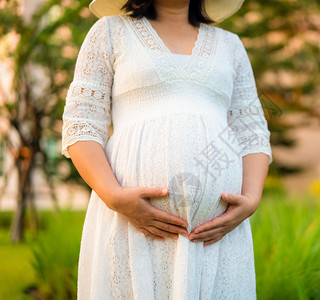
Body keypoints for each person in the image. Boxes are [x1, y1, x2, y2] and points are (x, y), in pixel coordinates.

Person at [61, 0, 273, 298]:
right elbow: (82, 122)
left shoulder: (231, 46)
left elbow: (251, 134)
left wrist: (250, 200)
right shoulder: (109, 32)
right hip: (129, 225)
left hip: (217, 237)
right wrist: (114, 196)